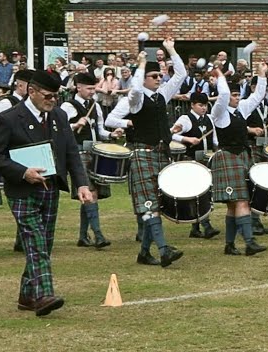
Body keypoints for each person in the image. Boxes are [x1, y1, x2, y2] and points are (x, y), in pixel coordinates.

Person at [0, 70, 95, 317]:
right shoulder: (8, 118)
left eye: (56, 96)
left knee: (43, 243)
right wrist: (23, 172)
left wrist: (81, 184)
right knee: (36, 241)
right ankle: (44, 295)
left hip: (51, 188)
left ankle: (26, 296)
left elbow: (71, 152)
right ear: (31, 91)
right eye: (48, 96)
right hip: (22, 190)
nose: (53, 100)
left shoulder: (58, 116)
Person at [105, 40, 186, 267]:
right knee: (150, 204)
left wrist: (171, 49)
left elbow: (181, 75)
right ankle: (163, 249)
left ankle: (144, 253)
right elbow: (136, 89)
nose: (159, 79)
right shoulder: (137, 99)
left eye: (160, 76)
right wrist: (140, 66)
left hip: (162, 154)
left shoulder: (162, 96)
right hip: (143, 154)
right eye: (154, 76)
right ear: (144, 79)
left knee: (157, 203)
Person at [210, 62, 268, 257]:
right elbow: (223, 95)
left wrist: (261, 75)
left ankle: (229, 245)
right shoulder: (219, 112)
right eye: (234, 95)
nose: (236, 98)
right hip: (228, 157)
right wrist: (220, 76)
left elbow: (258, 96)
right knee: (242, 201)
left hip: (242, 157)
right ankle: (249, 242)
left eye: (238, 95)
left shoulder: (241, 110)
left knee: (234, 204)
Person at [61, 72, 117, 248]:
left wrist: (112, 134)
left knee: (92, 195)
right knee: (90, 193)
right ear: (78, 87)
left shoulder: (95, 106)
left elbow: (100, 130)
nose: (93, 92)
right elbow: (59, 128)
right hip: (78, 152)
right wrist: (74, 125)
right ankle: (98, 235)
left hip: (95, 152)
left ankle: (83, 236)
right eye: (89, 88)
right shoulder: (68, 106)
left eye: (94, 88)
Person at [171, 92, 220, 239]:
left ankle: (195, 228)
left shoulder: (209, 119)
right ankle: (207, 226)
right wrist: (188, 139)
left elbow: (215, 140)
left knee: (204, 193)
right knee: (198, 193)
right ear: (192, 105)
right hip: (191, 160)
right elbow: (171, 134)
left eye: (205, 105)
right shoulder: (185, 119)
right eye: (200, 105)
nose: (203, 108)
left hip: (206, 160)